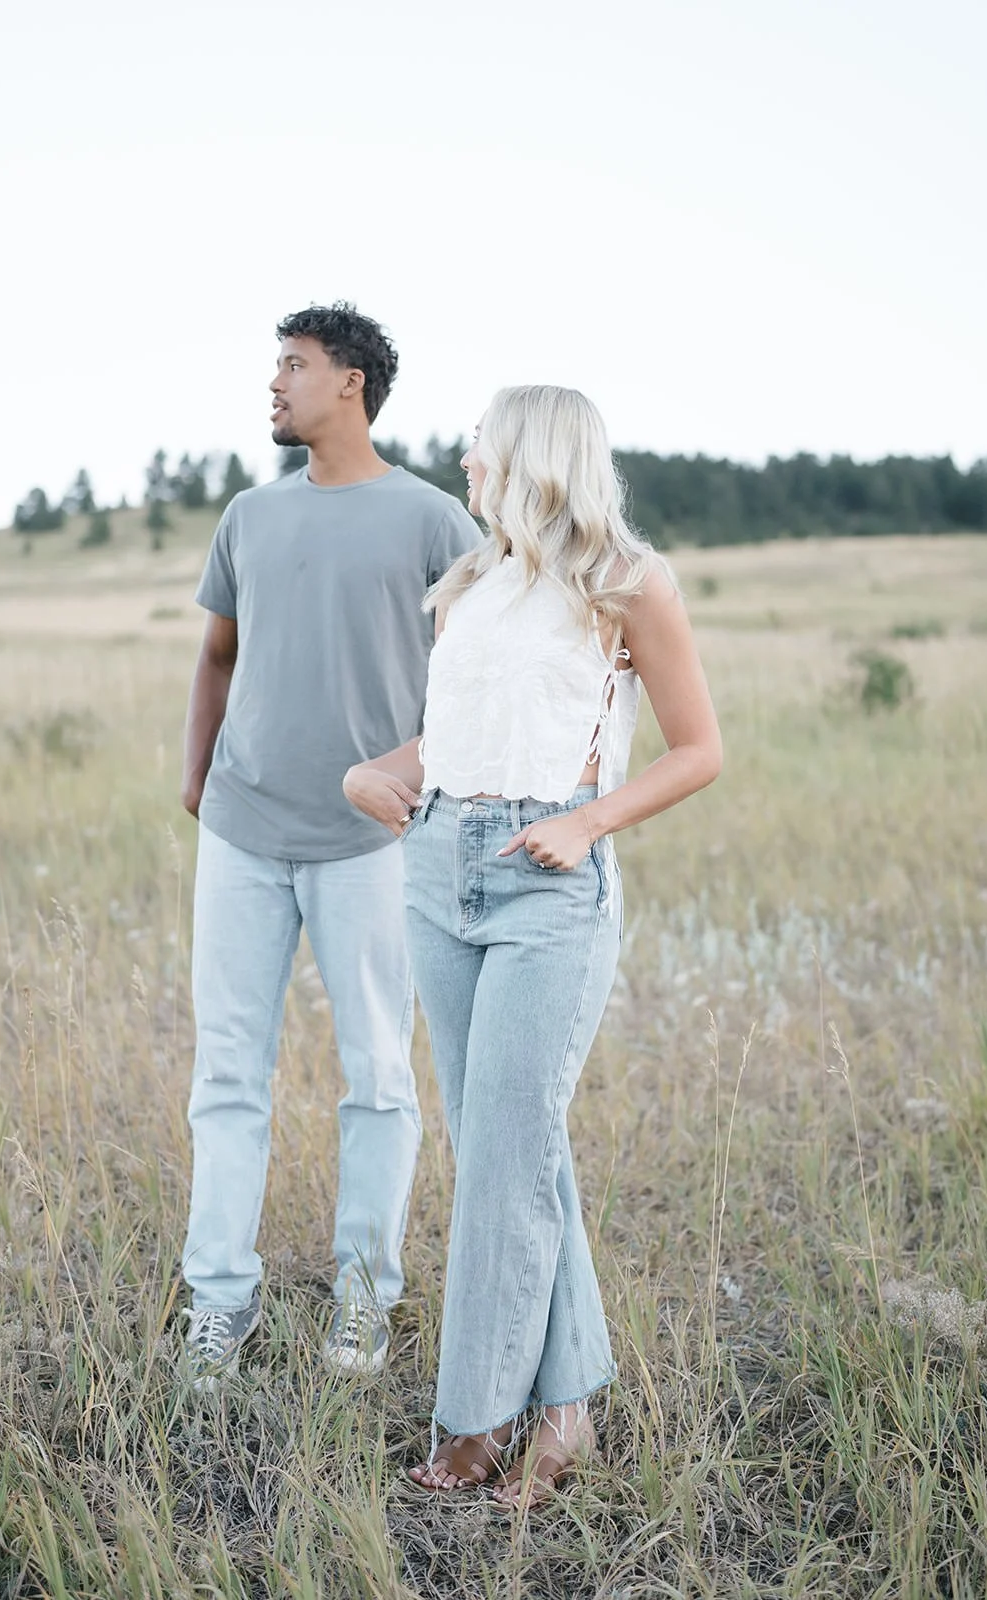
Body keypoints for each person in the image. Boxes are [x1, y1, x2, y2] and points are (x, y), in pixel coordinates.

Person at [343, 385, 722, 1507]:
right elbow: (463, 729)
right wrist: (383, 773)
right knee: (508, 1152)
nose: (463, 457)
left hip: (548, 878)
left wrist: (586, 819)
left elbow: (697, 748)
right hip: (438, 867)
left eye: (480, 442)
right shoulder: (469, 585)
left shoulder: (626, 581)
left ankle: (480, 1422)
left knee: (510, 1155)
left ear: (528, 455)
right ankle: (569, 1408)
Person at [180, 303, 482, 1386]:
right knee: (227, 1072)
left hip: (369, 846)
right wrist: (197, 769)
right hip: (244, 834)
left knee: (377, 1077)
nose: (275, 383)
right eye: (276, 365)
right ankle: (218, 1301)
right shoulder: (249, 517)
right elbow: (215, 654)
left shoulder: (434, 521)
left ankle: (363, 1296)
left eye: (293, 365)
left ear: (349, 381)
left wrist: (411, 778)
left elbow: (474, 681)